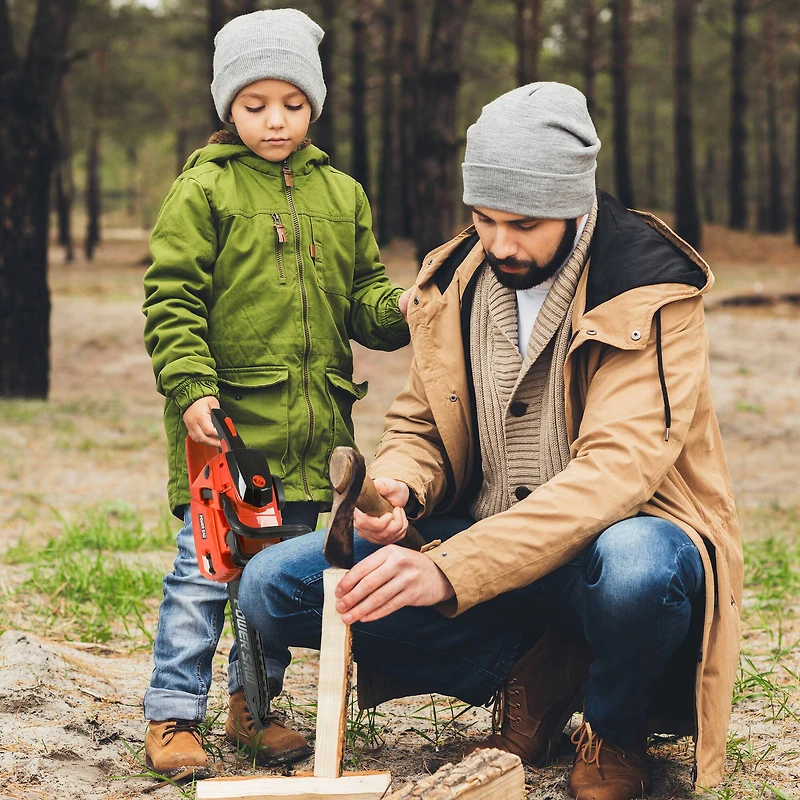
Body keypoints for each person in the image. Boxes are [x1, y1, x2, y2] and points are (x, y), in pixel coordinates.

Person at [237, 82, 742, 800]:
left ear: (573, 203)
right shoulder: (458, 277)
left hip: (609, 548)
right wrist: (403, 487)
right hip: (488, 542)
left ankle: (616, 725)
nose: (500, 242)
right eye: (484, 218)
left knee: (638, 569)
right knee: (276, 587)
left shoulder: (648, 288)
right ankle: (533, 668)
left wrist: (448, 571)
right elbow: (419, 424)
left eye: (524, 224)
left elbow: (615, 473)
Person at [141, 8, 410, 780]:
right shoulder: (205, 189)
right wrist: (191, 386)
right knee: (206, 575)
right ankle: (172, 714)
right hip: (226, 436)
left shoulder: (342, 193)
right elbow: (171, 299)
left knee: (269, 587)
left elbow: (365, 298)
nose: (275, 121)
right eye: (256, 105)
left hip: (309, 438)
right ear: (229, 106)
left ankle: (253, 714)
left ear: (314, 103)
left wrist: (410, 311)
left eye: (292, 104)